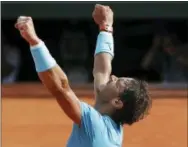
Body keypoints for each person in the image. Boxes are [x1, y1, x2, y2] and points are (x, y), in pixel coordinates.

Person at [15, 4, 152, 147]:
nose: (113, 77)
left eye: (117, 82)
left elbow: (61, 88)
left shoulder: (94, 125)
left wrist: (35, 43)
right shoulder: (110, 117)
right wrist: (106, 28)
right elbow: (102, 69)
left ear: (117, 102)